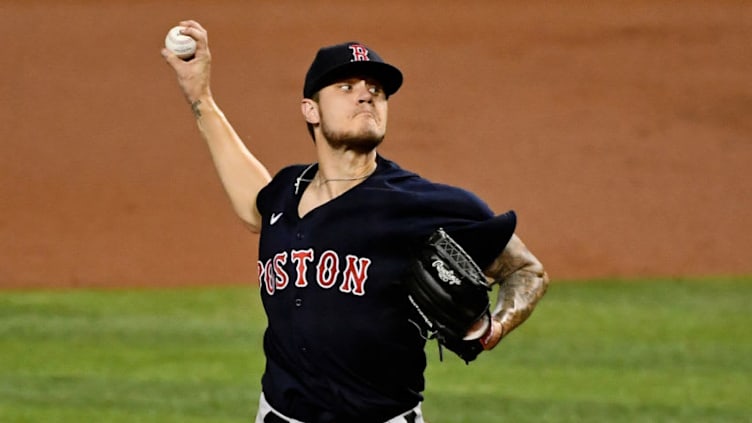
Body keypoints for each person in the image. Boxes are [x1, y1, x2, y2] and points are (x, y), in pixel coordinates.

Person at [162, 20, 549, 423]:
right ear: (310, 110)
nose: (366, 95)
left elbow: (527, 270)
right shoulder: (284, 193)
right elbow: (253, 206)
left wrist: (495, 329)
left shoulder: (423, 204)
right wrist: (200, 96)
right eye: (347, 87)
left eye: (376, 91)